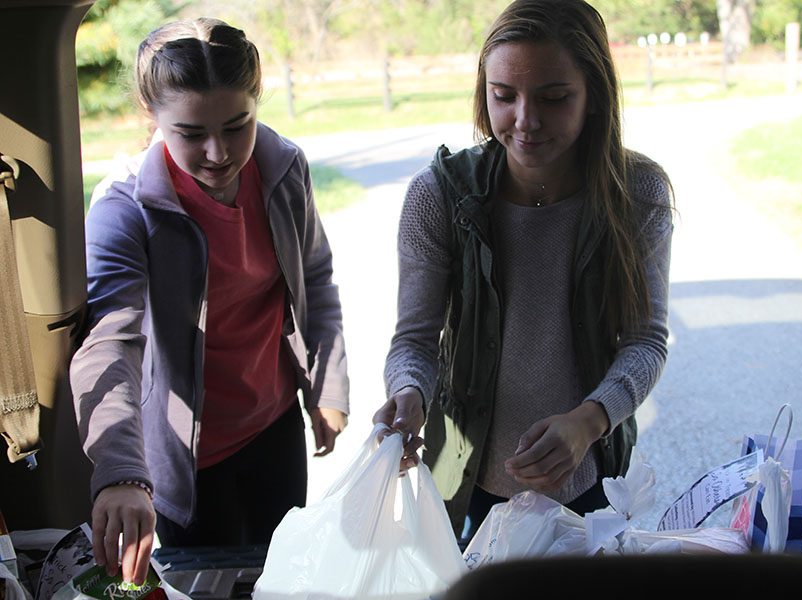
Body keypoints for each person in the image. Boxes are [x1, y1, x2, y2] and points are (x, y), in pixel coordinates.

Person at [373, 0, 674, 543]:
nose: (525, 121)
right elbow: (414, 340)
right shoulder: (438, 195)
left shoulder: (637, 194)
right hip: (455, 470)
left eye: (554, 98)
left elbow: (646, 341)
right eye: (503, 96)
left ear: (595, 95)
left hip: (588, 472)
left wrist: (587, 422)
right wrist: (409, 394)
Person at [69, 18, 350, 585]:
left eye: (237, 125)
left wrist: (327, 385)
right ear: (152, 117)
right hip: (184, 456)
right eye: (191, 133)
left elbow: (314, 276)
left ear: (257, 104)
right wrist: (122, 472)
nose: (219, 153)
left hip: (273, 426)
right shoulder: (126, 208)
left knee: (284, 577)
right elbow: (110, 343)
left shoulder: (284, 168)